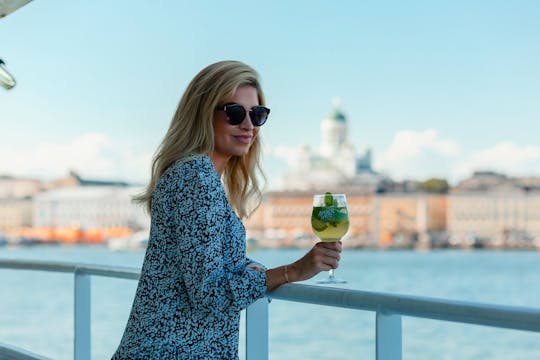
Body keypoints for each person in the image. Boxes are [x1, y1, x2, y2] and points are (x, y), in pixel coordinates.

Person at [112, 60, 342, 359]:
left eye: (257, 114)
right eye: (234, 113)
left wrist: (244, 266)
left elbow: (197, 264)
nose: (248, 125)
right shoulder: (196, 177)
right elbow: (209, 295)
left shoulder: (192, 174)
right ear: (203, 113)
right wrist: (293, 271)